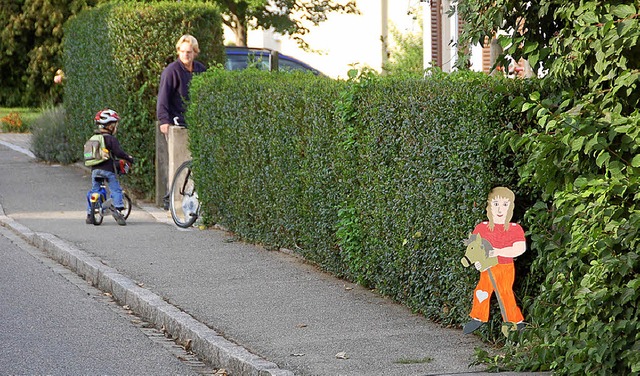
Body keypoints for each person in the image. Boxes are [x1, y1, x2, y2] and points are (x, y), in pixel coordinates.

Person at [463, 186, 526, 335]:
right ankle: (478, 317)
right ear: (489, 206)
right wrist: (478, 263)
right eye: (496, 204)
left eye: (504, 205)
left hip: (505, 267)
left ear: (510, 207)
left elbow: (519, 248)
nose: (499, 209)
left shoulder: (514, 229)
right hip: (487, 267)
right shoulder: (482, 228)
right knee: (481, 290)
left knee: (505, 292)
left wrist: (498, 252)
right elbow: (475, 248)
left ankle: (515, 322)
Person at [156, 34, 206, 209]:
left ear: (195, 52)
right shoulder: (172, 71)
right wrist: (164, 120)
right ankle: (171, 198)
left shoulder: (200, 70)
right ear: (178, 52)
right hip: (177, 122)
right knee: (177, 161)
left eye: (190, 52)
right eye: (183, 52)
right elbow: (163, 98)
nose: (186, 55)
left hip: (196, 122)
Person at [86, 109, 135, 226]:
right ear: (110, 126)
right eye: (115, 125)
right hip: (108, 170)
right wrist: (128, 158)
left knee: (94, 190)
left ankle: (90, 214)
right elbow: (118, 153)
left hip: (94, 170)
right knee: (115, 189)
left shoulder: (93, 138)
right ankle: (118, 210)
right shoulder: (110, 139)